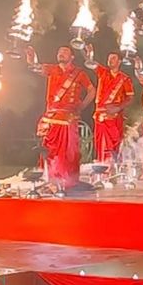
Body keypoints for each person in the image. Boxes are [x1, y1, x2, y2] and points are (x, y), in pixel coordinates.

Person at [30, 46, 95, 190]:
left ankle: (68, 181)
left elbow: (92, 90)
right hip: (51, 118)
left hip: (68, 119)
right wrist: (32, 59)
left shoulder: (79, 73)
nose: (61, 54)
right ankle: (51, 181)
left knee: (68, 152)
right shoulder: (52, 69)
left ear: (72, 57)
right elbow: (36, 67)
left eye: (65, 52)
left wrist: (82, 106)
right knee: (49, 151)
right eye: (59, 52)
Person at [89, 49, 135, 165]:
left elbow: (130, 98)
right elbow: (90, 62)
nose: (110, 60)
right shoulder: (102, 72)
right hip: (100, 115)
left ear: (119, 61)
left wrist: (118, 108)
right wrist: (89, 53)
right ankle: (102, 168)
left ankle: (114, 168)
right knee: (100, 143)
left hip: (114, 116)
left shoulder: (124, 79)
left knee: (114, 143)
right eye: (109, 58)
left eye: (113, 58)